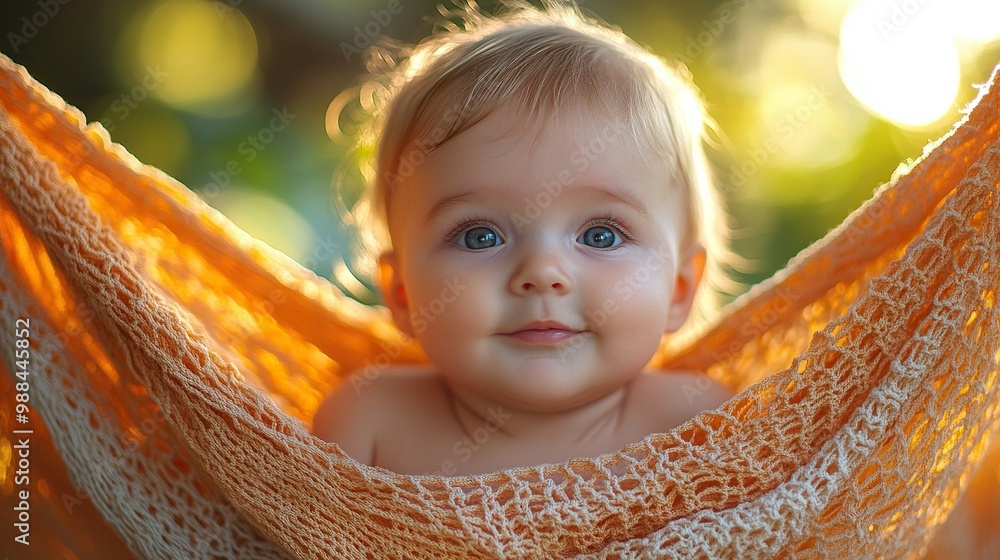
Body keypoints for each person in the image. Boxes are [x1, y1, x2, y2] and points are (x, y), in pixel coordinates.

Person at [313, 1, 735, 476]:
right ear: (403, 292)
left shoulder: (700, 425)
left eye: (600, 235)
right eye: (478, 237)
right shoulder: (370, 423)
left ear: (679, 288)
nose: (541, 272)